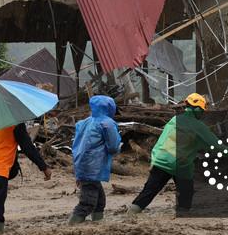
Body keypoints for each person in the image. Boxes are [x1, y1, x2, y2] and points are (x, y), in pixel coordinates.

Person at [128, 93, 219, 214]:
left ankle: (132, 212)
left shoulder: (174, 120)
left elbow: (162, 140)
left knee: (150, 190)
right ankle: (183, 212)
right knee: (186, 190)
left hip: (161, 160)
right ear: (198, 110)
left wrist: (154, 159)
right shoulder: (198, 126)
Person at [68, 95, 121, 224]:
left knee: (99, 201)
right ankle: (73, 223)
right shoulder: (107, 123)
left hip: (81, 162)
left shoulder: (84, 122)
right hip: (94, 165)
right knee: (88, 201)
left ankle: (98, 223)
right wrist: (119, 147)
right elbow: (113, 146)